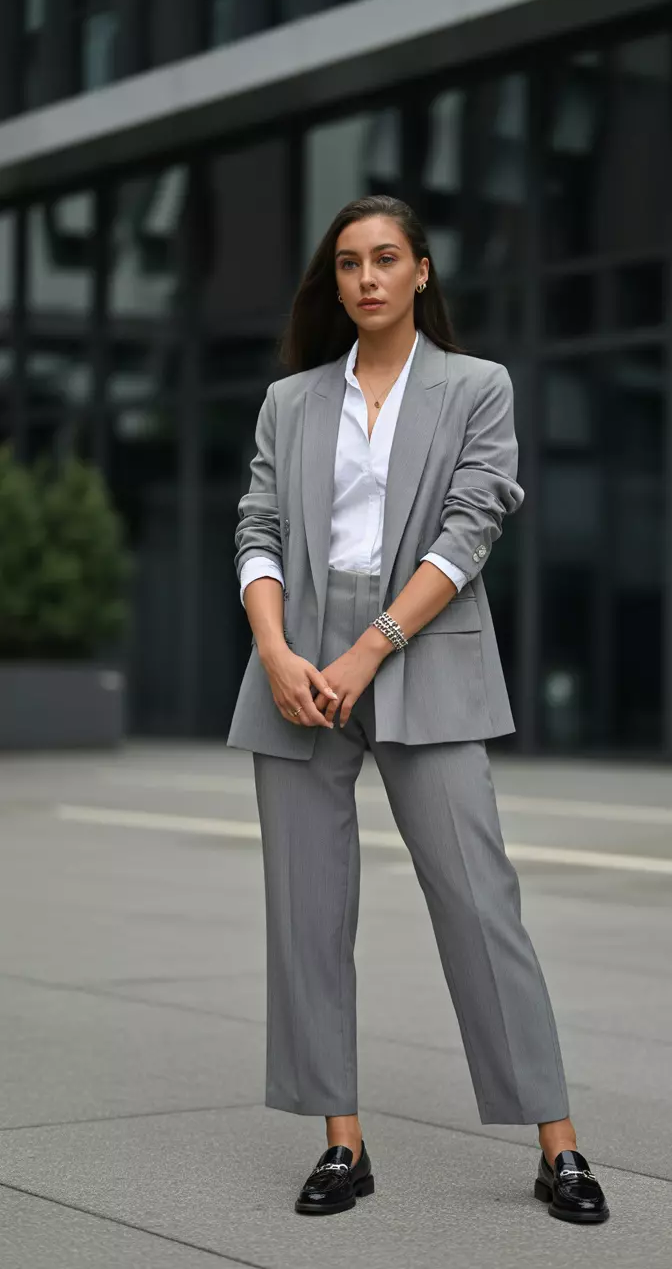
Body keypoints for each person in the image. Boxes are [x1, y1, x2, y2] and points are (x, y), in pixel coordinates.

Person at [227, 194, 609, 1225]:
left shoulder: (477, 388)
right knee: (306, 916)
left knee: (481, 904)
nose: (367, 278)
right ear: (335, 281)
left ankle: (557, 1145)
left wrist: (370, 648)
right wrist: (274, 650)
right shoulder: (291, 401)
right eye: (349, 263)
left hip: (420, 651)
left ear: (423, 272)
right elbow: (258, 527)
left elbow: (473, 522)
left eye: (386, 259)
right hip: (295, 663)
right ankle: (341, 1144)